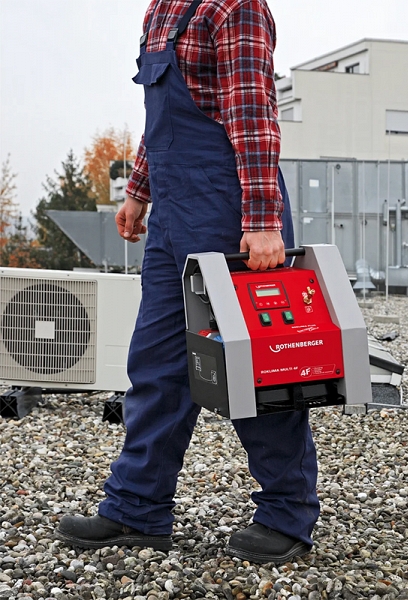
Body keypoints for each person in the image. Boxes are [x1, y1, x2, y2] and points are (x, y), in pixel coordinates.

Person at [56, 0, 320, 563]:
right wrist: (138, 191)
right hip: (173, 215)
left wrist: (262, 221)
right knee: (156, 362)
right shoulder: (161, 9)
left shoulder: (235, 7)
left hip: (228, 211)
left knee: (257, 368)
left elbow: (253, 116)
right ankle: (137, 508)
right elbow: (161, 122)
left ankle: (287, 513)